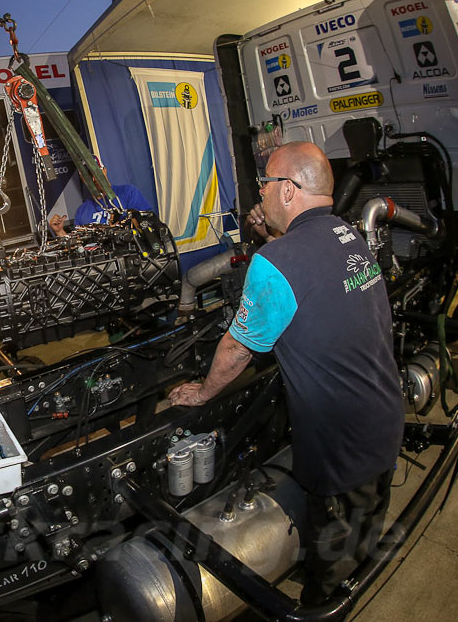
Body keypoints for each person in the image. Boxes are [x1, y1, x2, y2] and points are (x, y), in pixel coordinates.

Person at [167, 141, 404, 606]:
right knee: (365, 528)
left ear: (290, 189)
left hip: (341, 447)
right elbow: (309, 273)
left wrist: (202, 392)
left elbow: (236, 349)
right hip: (382, 418)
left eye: (266, 184)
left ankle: (327, 602)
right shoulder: (348, 234)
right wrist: (272, 239)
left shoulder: (276, 263)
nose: (261, 193)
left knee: (333, 570)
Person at [49, 154, 153, 237]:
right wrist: (60, 232)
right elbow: (79, 247)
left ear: (104, 170)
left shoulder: (128, 192)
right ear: (83, 179)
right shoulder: (82, 212)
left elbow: (148, 223)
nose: (94, 179)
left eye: (97, 172)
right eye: (88, 176)